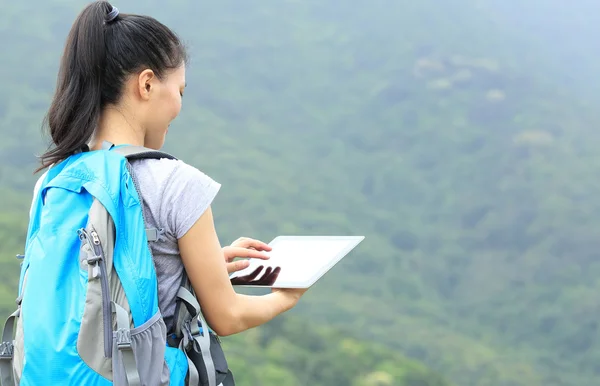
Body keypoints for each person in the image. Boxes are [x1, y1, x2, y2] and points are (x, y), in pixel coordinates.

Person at [35, 0, 308, 345]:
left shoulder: (53, 179)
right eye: (179, 91)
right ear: (147, 84)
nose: (179, 105)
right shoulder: (177, 183)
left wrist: (198, 264)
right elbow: (227, 316)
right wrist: (285, 298)